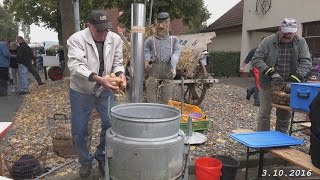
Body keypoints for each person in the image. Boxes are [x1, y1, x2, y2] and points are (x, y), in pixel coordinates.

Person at [67, 9, 126, 177]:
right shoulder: (76, 40)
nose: (103, 33)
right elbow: (76, 66)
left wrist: (121, 74)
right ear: (89, 26)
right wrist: (99, 79)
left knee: (110, 124)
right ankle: (85, 161)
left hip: (105, 90)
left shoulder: (114, 39)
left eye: (106, 29)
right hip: (81, 90)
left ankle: (101, 155)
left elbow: (118, 62)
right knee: (79, 130)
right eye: (99, 29)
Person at [252, 18, 312, 133]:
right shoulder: (268, 41)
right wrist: (271, 72)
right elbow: (256, 59)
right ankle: (262, 142)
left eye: (290, 33)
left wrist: (295, 77)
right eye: (285, 32)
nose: (288, 35)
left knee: (284, 115)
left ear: (295, 32)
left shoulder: (301, 42)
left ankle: (280, 143)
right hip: (268, 83)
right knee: (264, 114)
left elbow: (306, 61)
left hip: (289, 85)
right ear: (279, 30)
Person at [144, 12, 181, 104]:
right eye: (159, 23)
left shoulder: (174, 40)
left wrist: (173, 66)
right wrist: (147, 59)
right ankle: (151, 114)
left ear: (168, 23)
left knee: (167, 98)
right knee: (150, 96)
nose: (161, 26)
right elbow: (146, 50)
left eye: (164, 23)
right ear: (156, 23)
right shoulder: (150, 40)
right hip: (154, 71)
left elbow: (176, 53)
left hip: (168, 71)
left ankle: (164, 115)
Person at [240, 37, 266, 106]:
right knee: (258, 83)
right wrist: (242, 67)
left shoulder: (268, 50)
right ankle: (257, 101)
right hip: (256, 69)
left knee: (262, 84)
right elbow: (247, 58)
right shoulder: (255, 50)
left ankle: (250, 92)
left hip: (265, 69)